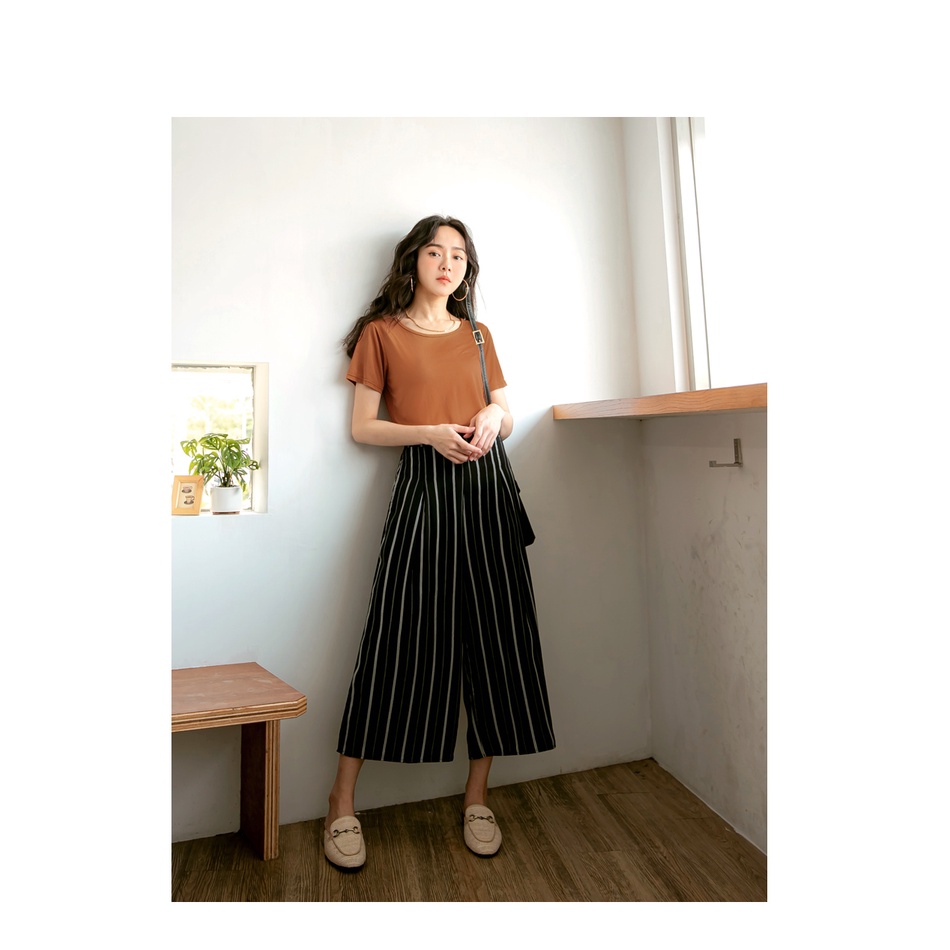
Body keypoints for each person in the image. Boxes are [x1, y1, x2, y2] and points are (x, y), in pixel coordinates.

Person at [324, 215, 555, 870]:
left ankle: (476, 797)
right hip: (423, 490)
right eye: (435, 251)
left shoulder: (479, 335)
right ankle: (342, 801)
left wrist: (493, 414)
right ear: (413, 261)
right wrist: (429, 433)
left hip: (488, 491)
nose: (448, 263)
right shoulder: (381, 334)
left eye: (458, 255)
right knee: (397, 637)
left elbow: (507, 415)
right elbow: (363, 428)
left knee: (498, 641)